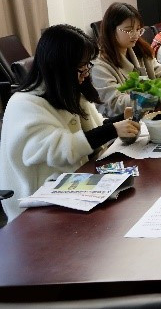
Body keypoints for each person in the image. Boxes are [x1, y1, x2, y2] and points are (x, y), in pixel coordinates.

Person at [0, 25, 140, 222]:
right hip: (36, 204)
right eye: (81, 67)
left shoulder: (67, 92)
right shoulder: (25, 104)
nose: (86, 73)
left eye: (87, 65)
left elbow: (94, 129)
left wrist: (120, 121)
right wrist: (112, 129)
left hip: (73, 186)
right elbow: (59, 149)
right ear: (59, 67)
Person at [91, 2, 161, 118]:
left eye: (138, 29)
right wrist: (152, 92)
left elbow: (160, 73)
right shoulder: (100, 66)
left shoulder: (140, 50)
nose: (136, 35)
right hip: (123, 123)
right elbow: (115, 103)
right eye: (129, 30)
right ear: (111, 30)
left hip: (149, 115)